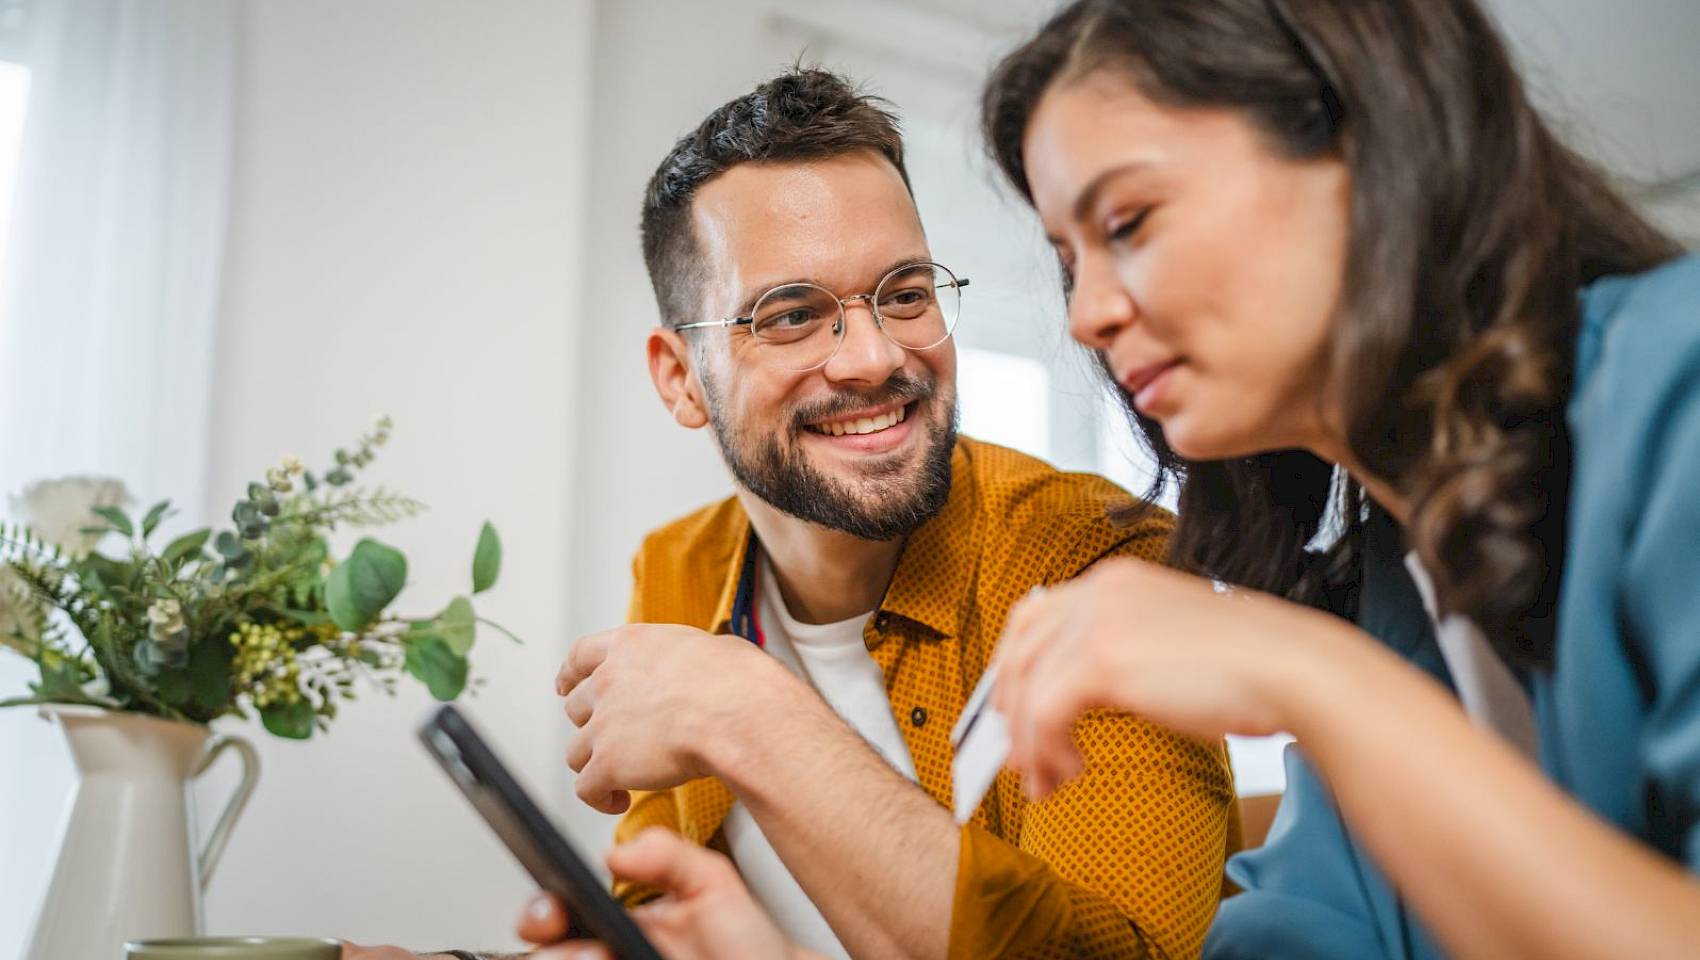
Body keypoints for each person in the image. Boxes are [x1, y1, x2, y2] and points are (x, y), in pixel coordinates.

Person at [346, 67, 1235, 960]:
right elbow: (669, 919)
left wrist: (750, 713)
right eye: (792, 314)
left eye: (905, 293)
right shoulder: (678, 567)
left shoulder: (1101, 562)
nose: (874, 357)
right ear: (680, 379)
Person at [975, 1, 1700, 958]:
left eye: (1129, 223)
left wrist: (1305, 674)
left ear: (1372, 148)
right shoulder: (1391, 586)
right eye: (1072, 262)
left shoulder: (1677, 378)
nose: (1086, 316)